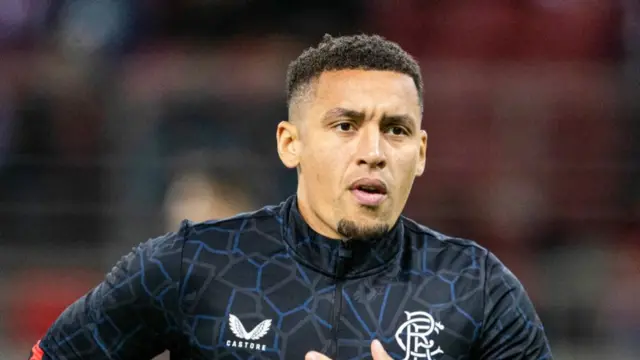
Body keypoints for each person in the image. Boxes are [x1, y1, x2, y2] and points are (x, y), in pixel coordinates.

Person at [28, 34, 553, 360]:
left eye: (395, 130)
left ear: (419, 153)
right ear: (290, 143)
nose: (373, 152)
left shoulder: (476, 288)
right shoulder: (190, 265)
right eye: (346, 125)